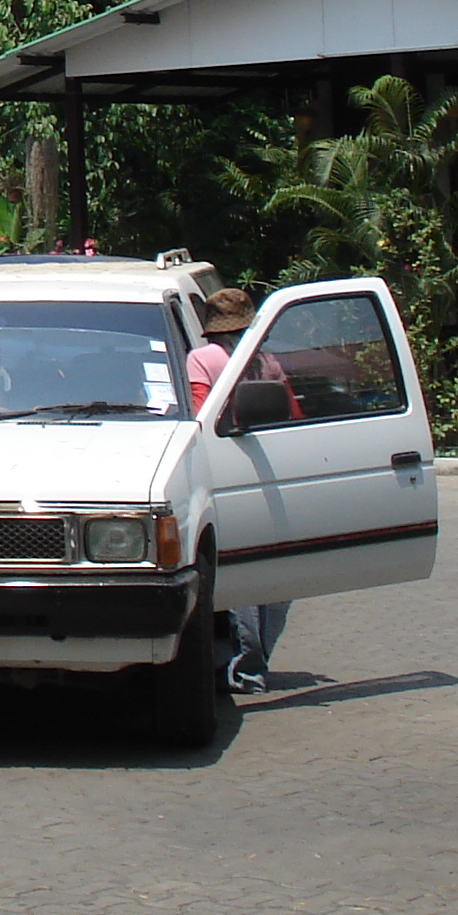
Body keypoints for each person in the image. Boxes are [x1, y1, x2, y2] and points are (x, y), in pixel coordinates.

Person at [184, 286, 293, 692]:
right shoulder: (268, 362)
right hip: (273, 472)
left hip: (226, 472)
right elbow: (290, 415)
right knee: (278, 576)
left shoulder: (203, 358)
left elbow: (198, 417)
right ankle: (255, 661)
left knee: (242, 576)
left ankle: (248, 667)